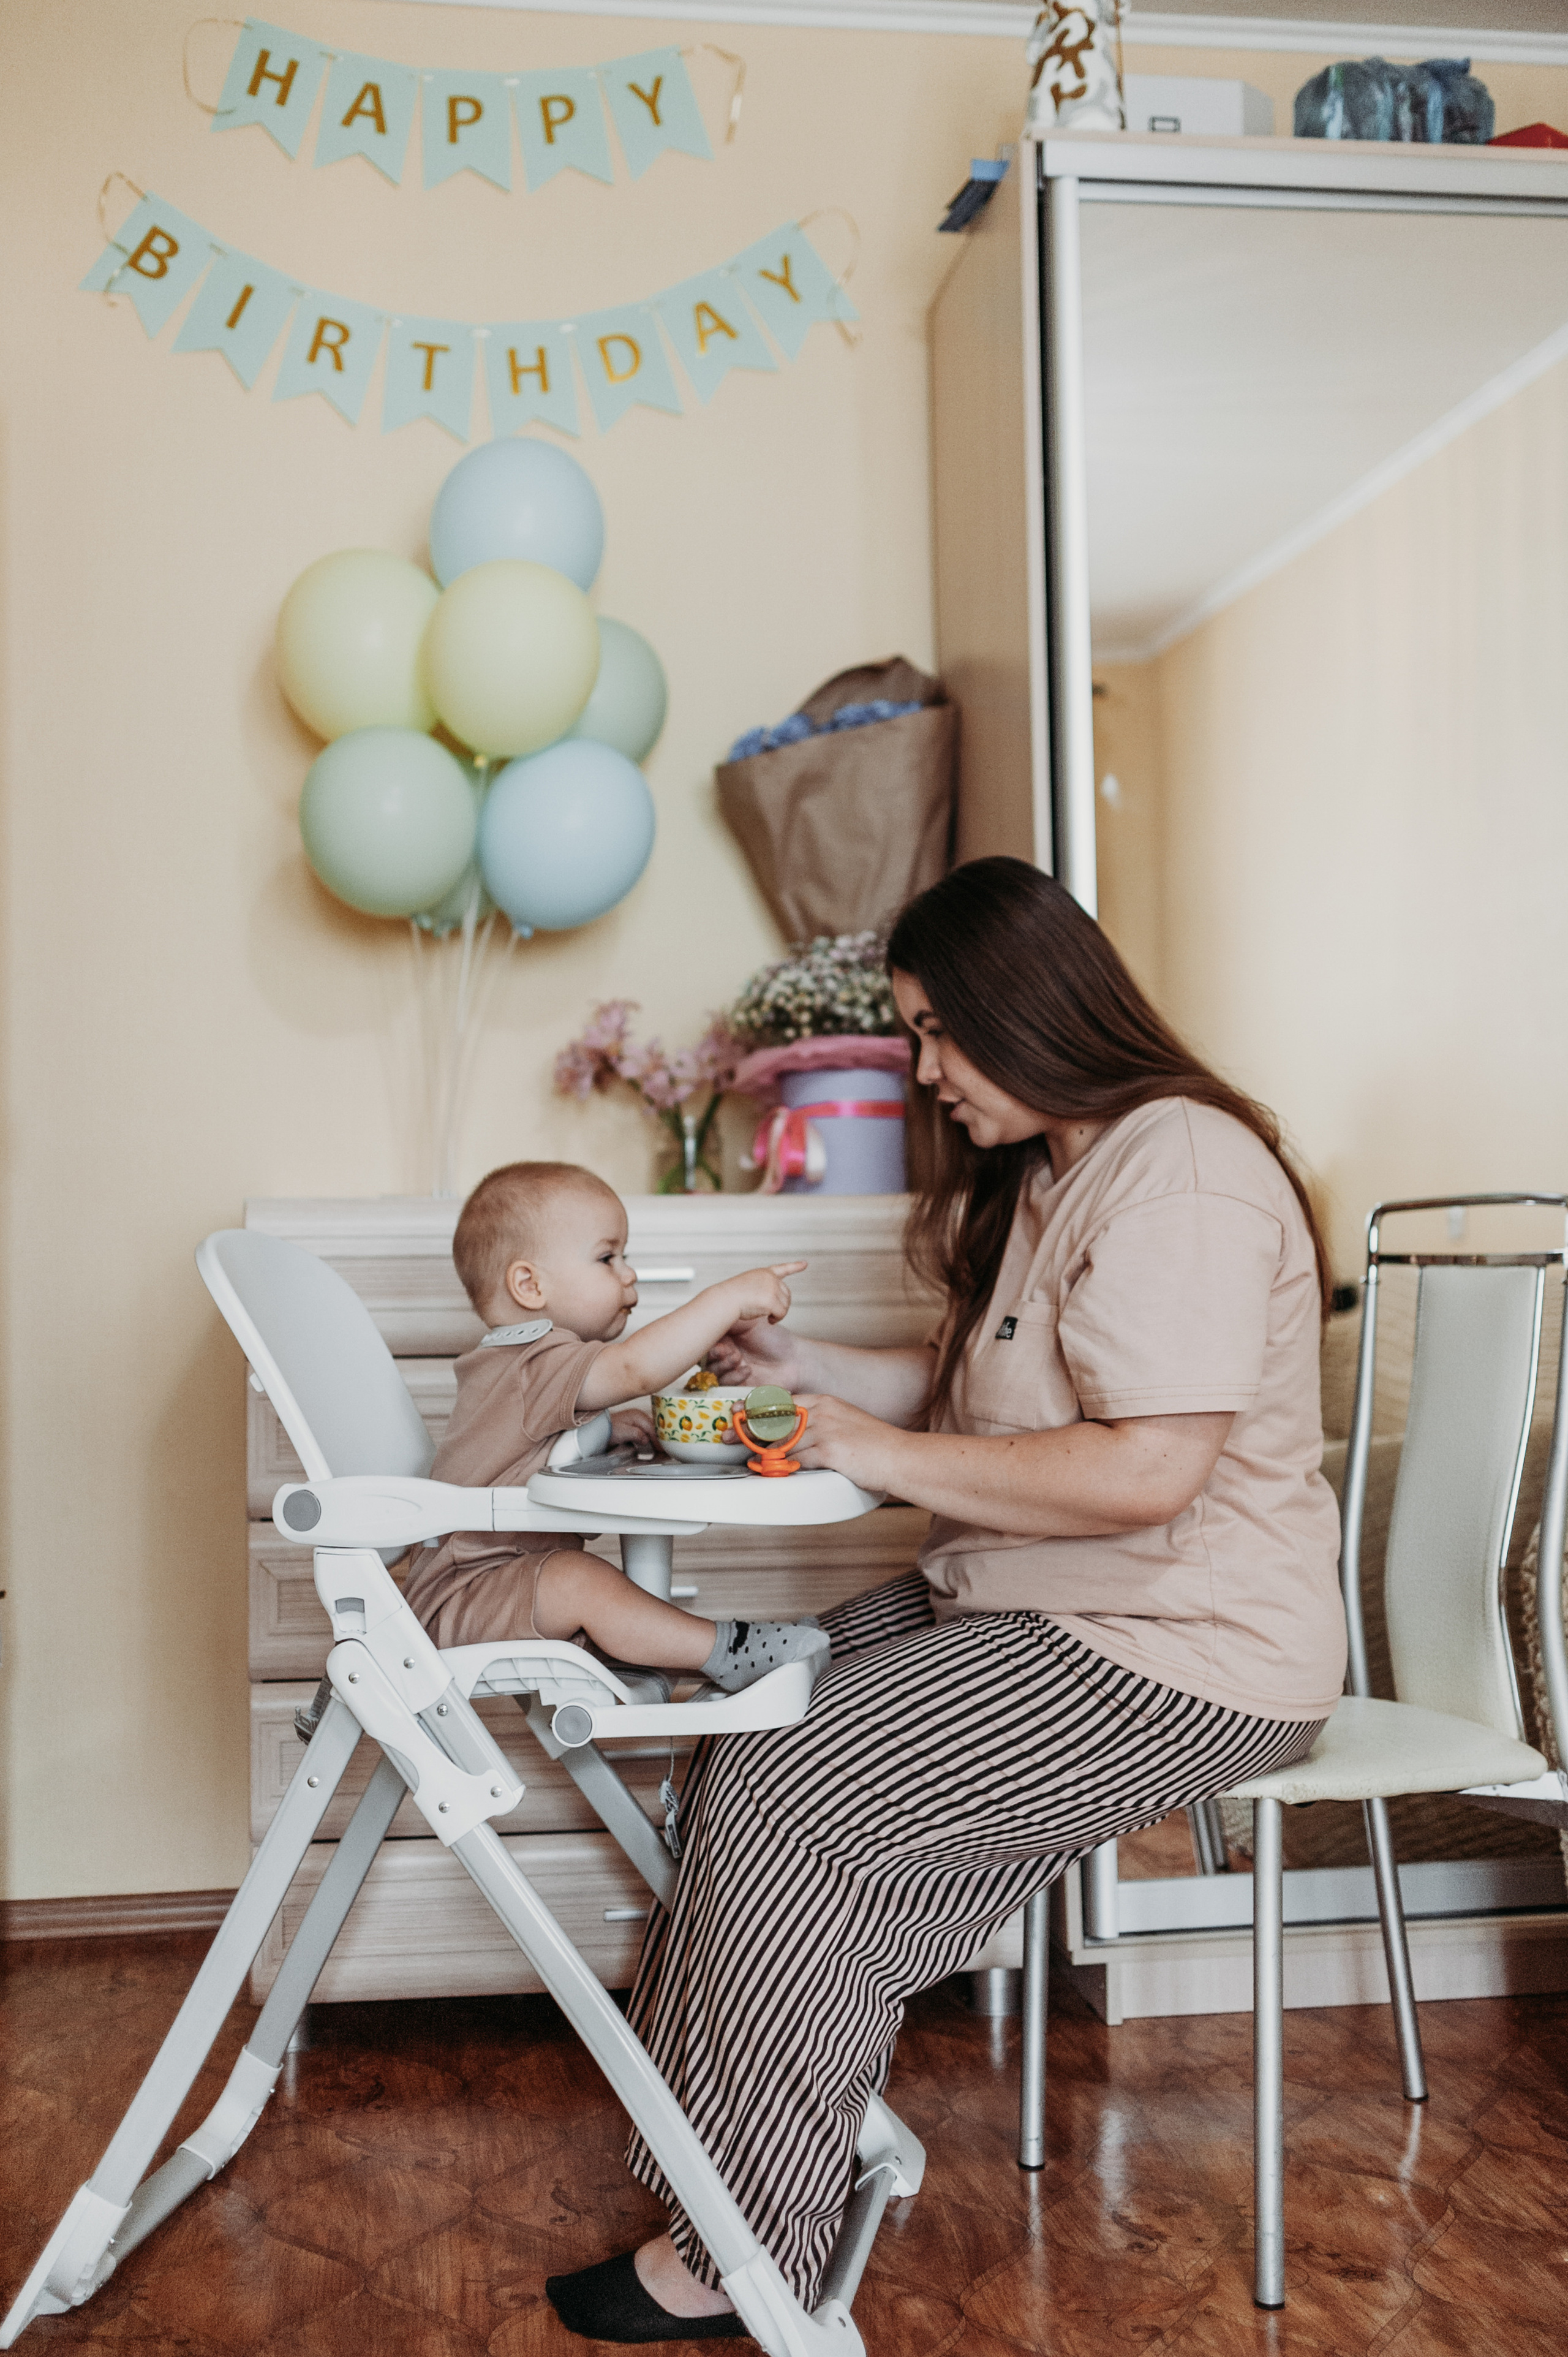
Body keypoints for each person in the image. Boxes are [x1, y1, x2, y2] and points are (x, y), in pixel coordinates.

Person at [545, 856, 1348, 2344]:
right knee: (749, 1699)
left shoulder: (1177, 1163)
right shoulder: (1049, 1170)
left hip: (1179, 1641)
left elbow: (1144, 1469)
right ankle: (740, 2166)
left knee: (794, 1780)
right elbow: (985, 1393)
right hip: (1028, 1594)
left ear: (1023, 1008)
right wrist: (815, 1382)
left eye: (933, 1031)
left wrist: (863, 1447)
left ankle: (744, 2249)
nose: (920, 1070)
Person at [402, 1160, 829, 1693]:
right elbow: (636, 1368)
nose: (628, 1274)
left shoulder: (527, 1365)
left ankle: (716, 1659)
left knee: (578, 1581)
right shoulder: (530, 1358)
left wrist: (604, 1430)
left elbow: (532, 1447)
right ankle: (731, 1649)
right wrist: (725, 1300)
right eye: (607, 1257)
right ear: (529, 1284)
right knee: (580, 1581)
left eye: (625, 1256)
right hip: (458, 1602)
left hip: (496, 1586)